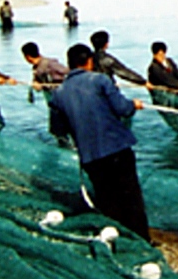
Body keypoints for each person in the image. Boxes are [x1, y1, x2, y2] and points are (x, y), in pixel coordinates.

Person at [48, 43, 149, 241]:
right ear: (89, 62)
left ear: (70, 64)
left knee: (107, 200)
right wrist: (134, 105)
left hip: (90, 157)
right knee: (130, 198)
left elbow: (57, 130)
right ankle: (142, 240)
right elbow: (122, 109)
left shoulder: (58, 94)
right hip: (117, 149)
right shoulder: (100, 80)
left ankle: (117, 239)